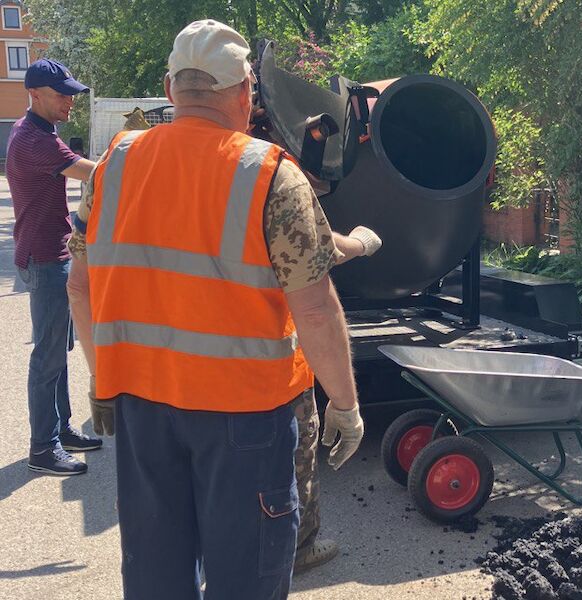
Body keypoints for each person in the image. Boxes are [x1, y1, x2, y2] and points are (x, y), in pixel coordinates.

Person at [65, 20, 372, 598]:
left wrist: (102, 379)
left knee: (156, 578)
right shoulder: (270, 174)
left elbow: (79, 288)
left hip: (142, 408)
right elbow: (315, 310)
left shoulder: (114, 165)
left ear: (170, 87)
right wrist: (346, 405)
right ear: (246, 91)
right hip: (245, 418)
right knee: (245, 581)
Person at [8, 58, 101, 476]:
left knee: (58, 352)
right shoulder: (35, 140)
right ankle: (42, 448)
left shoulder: (40, 130)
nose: (70, 101)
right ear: (35, 94)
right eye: (62, 94)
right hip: (44, 258)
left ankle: (60, 430)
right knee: (47, 357)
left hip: (51, 254)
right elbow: (95, 175)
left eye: (72, 94)